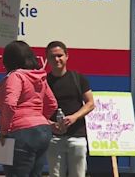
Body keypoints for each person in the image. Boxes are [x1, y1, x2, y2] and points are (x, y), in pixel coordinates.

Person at [0, 40, 57, 177]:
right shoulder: (39, 77)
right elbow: (52, 104)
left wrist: (4, 131)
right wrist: (39, 119)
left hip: (19, 132)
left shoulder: (15, 76)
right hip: (43, 131)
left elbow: (10, 104)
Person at [45, 41, 95, 177]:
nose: (56, 59)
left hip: (77, 137)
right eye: (52, 56)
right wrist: (50, 124)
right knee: (55, 175)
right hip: (53, 137)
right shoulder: (43, 82)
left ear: (67, 56)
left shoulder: (79, 78)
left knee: (78, 175)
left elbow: (90, 103)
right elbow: (36, 108)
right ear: (47, 59)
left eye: (60, 55)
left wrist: (74, 117)